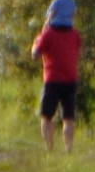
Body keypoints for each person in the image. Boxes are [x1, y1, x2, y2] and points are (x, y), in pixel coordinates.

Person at [31, 20, 82, 153]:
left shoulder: (47, 35)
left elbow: (35, 55)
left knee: (47, 117)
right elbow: (79, 53)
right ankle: (69, 149)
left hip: (52, 80)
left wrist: (37, 40)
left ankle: (49, 149)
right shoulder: (75, 34)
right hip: (71, 79)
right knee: (68, 118)